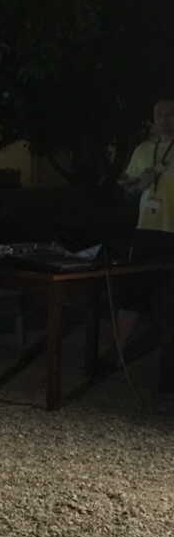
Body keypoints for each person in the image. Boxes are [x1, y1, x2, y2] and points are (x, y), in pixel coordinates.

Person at [114, 97, 174, 360]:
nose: (164, 121)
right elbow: (127, 191)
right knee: (134, 292)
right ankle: (117, 353)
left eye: (170, 115)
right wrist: (141, 184)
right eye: (159, 115)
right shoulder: (143, 150)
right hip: (147, 230)